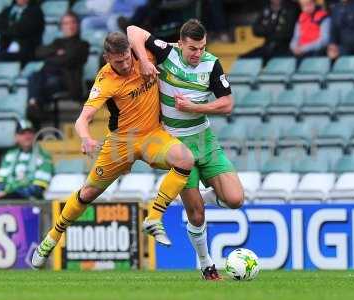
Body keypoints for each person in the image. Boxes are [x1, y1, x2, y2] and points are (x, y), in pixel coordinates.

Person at [31, 32, 195, 268]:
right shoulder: (105, 81)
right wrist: (86, 138)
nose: (126, 64)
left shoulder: (145, 55)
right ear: (107, 57)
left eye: (127, 57)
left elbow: (162, 41)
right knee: (87, 193)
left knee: (185, 159)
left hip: (152, 136)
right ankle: (51, 238)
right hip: (121, 143)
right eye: (119, 61)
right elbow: (82, 119)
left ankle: (154, 217)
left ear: (131, 50)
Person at [128, 19, 244, 280]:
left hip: (205, 140)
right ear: (180, 44)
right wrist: (145, 62)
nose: (197, 54)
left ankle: (198, 198)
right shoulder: (166, 53)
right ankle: (206, 265)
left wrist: (196, 108)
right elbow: (133, 32)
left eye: (201, 48)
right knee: (197, 214)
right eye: (192, 48)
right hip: (178, 146)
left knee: (235, 200)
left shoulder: (211, 63)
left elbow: (226, 103)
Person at [27, 11, 89, 130]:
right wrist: (56, 53)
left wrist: (51, 57)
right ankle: (35, 106)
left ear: (77, 25)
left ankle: (35, 106)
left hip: (67, 81)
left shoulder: (82, 45)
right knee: (34, 75)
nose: (70, 26)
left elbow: (69, 59)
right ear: (62, 27)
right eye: (66, 23)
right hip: (47, 78)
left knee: (43, 82)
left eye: (72, 22)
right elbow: (39, 52)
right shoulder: (58, 42)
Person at [0, 120, 53, 200]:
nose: (27, 136)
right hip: (6, 200)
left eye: (30, 132)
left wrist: (9, 194)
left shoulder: (44, 156)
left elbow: (38, 189)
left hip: (31, 203)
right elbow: (1, 182)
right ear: (16, 137)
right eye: (23, 133)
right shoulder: (10, 155)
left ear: (35, 135)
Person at [0, 0, 44, 66]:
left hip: (25, 51)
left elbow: (22, 29)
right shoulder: (10, 9)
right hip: (4, 48)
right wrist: (10, 25)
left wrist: (6, 27)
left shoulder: (35, 11)